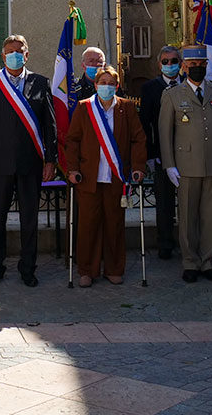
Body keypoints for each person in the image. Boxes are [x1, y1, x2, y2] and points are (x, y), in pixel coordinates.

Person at [0, 34, 57, 287]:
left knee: (29, 219)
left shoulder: (40, 82)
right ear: (2, 55)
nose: (14, 54)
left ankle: (28, 267)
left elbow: (49, 126)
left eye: (19, 51)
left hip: (30, 163)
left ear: (27, 55)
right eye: (9, 51)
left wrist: (51, 160)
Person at [64, 66, 147, 287]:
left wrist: (138, 166)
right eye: (103, 83)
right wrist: (72, 169)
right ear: (95, 85)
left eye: (111, 83)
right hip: (88, 177)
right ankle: (87, 270)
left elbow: (138, 139)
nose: (107, 87)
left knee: (114, 224)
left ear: (117, 86)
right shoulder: (84, 108)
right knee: (88, 225)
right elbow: (72, 140)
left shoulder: (126, 108)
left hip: (116, 177)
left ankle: (113, 268)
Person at [159, 45, 212, 283]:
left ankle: (208, 261)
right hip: (186, 165)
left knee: (211, 216)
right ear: (184, 67)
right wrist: (169, 165)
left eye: (201, 66)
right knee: (188, 217)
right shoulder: (172, 95)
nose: (197, 69)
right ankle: (190, 262)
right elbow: (165, 133)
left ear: (206, 66)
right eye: (192, 66)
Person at [138, 46, 182, 259]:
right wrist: (150, 154)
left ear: (180, 63)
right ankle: (165, 243)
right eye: (165, 61)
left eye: (174, 61)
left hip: (188, 154)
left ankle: (189, 241)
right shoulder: (150, 88)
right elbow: (145, 124)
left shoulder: (188, 85)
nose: (170, 65)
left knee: (188, 202)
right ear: (159, 64)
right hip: (162, 155)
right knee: (164, 202)